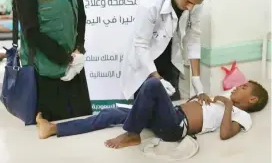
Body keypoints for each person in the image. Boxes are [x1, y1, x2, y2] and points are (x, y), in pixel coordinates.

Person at [36, 78, 268, 150]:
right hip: (172, 114)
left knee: (154, 85)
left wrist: (226, 104)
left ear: (252, 100)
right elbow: (195, 108)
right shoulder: (223, 99)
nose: (238, 86)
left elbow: (226, 134)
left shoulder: (241, 115)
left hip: (176, 127)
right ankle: (54, 128)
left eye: (244, 88)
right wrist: (201, 98)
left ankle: (132, 133)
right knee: (111, 113)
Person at [12, 0, 92, 121]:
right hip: (46, 73)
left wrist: (79, 49)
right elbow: (31, 31)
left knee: (81, 124)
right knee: (52, 134)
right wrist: (64, 59)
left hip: (73, 68)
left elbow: (80, 15)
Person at [120, 0, 213, 101]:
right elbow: (141, 44)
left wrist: (196, 79)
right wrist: (157, 79)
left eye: (195, 4)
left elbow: (193, 37)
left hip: (170, 56)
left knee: (172, 108)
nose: (190, 8)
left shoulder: (195, 0)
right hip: (146, 59)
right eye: (188, 1)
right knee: (145, 109)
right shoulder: (151, 2)